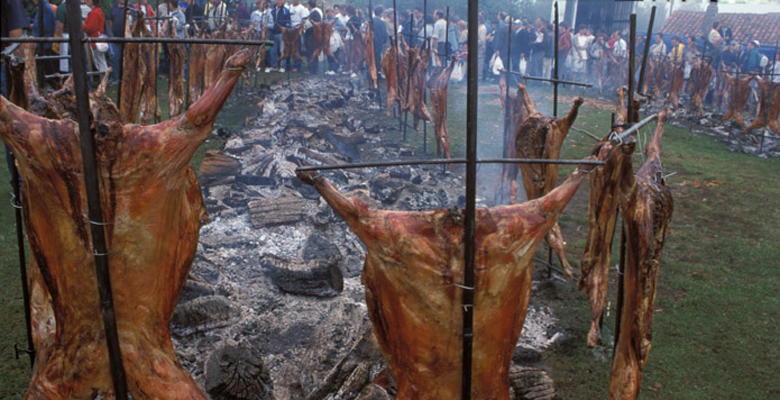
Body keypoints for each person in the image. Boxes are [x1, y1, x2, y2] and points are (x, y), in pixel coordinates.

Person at [83, 0, 108, 72]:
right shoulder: (98, 11)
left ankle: (104, 77)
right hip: (98, 39)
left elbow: (90, 28)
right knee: (101, 61)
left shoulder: (94, 13)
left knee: (99, 62)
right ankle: (104, 76)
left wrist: (81, 26)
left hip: (95, 40)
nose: (86, 1)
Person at [268, 0, 290, 72]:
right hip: (272, 33)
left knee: (282, 50)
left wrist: (285, 27)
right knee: (272, 50)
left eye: (281, 0)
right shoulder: (272, 11)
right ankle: (273, 66)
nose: (279, 1)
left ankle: (282, 66)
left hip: (282, 34)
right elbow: (269, 21)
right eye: (278, 0)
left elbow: (289, 22)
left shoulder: (286, 11)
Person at [303, 0, 322, 73]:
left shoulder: (315, 13)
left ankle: (313, 69)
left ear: (310, 5)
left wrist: (311, 21)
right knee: (309, 52)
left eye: (308, 5)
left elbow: (317, 23)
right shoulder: (311, 13)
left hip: (312, 35)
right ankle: (311, 69)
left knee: (312, 52)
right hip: (308, 34)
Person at [371, 6, 388, 74]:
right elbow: (384, 34)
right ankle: (377, 71)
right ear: (381, 13)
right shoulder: (382, 23)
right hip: (378, 43)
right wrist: (385, 41)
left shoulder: (371, 21)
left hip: (371, 42)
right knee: (377, 57)